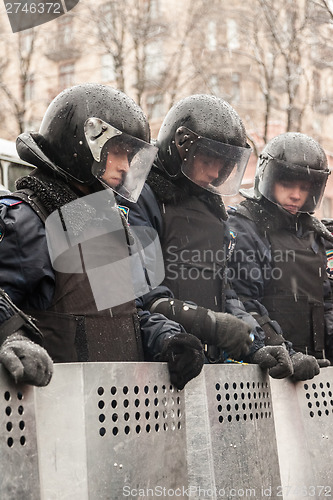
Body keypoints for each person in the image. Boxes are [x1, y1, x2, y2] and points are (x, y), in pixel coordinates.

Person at [0, 83, 205, 390]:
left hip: (114, 411)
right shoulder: (25, 219)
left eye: (131, 157)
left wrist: (167, 339)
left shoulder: (104, 223)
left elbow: (128, 312)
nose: (124, 168)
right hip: (52, 413)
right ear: (79, 143)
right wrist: (11, 335)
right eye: (118, 153)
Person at [117, 94, 302, 379]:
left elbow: (224, 290)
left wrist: (257, 345)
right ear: (179, 147)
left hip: (208, 364)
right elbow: (142, 290)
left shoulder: (213, 209)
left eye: (224, 164)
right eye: (207, 160)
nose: (215, 172)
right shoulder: (141, 195)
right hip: (159, 360)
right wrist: (202, 325)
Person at [228, 132, 333, 374]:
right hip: (265, 369)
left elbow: (325, 304)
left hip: (315, 370)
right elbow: (242, 302)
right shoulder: (245, 227)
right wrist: (282, 349)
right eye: (287, 184)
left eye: (304, 187)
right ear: (269, 179)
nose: (296, 195)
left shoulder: (313, 234)